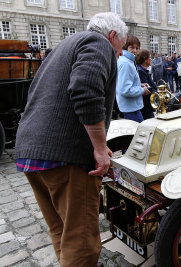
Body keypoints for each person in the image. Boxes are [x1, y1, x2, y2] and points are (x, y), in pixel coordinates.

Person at [14, 12, 128, 267]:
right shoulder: (98, 43)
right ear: (112, 36)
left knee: (62, 230)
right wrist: (98, 148)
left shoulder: (64, 45)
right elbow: (85, 90)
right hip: (66, 158)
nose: (118, 55)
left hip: (31, 151)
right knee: (81, 241)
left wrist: (101, 144)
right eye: (119, 49)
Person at [116, 35, 151, 122]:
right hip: (130, 108)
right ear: (126, 47)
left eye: (137, 48)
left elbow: (124, 83)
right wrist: (142, 90)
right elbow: (125, 89)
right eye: (132, 47)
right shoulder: (126, 63)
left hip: (129, 107)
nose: (135, 51)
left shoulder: (126, 60)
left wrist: (140, 85)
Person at [136, 49, 157, 119]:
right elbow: (148, 89)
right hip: (145, 106)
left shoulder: (143, 70)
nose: (151, 59)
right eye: (150, 57)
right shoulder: (140, 71)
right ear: (145, 59)